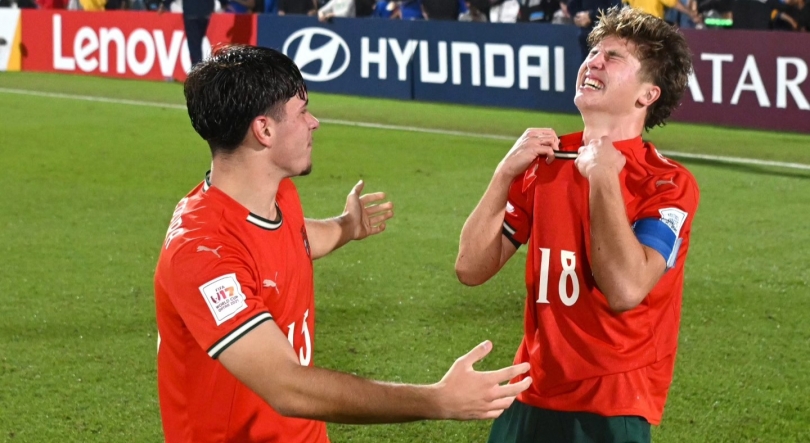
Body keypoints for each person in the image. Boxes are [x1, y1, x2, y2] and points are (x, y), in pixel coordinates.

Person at [154, 44, 531, 443]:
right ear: (264, 129)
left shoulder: (273, 197)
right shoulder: (201, 251)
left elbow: (290, 239)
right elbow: (287, 386)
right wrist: (437, 400)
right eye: (301, 112)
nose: (313, 122)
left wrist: (346, 226)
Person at [456, 7, 699, 443]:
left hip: (611, 403)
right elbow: (471, 268)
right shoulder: (546, 161)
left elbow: (626, 289)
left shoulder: (666, 183)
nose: (593, 62)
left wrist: (603, 176)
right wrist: (503, 175)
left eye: (614, 57)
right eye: (594, 52)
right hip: (530, 390)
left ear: (648, 94)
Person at [158, 0, 226, 66]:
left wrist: (165, 4)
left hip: (191, 11)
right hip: (205, 12)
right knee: (198, 42)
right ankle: (198, 68)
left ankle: (197, 70)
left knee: (194, 45)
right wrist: (224, 3)